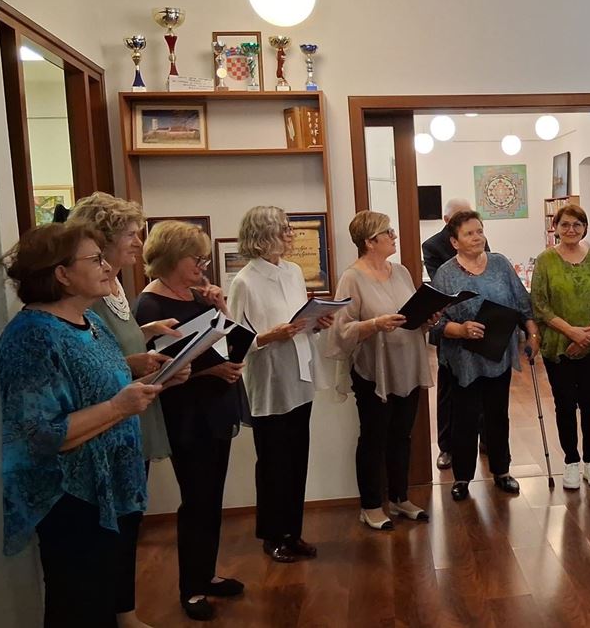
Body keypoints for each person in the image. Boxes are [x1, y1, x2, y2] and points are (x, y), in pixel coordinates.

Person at [0, 223, 164, 627]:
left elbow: (104, 387)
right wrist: (119, 407)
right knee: (79, 607)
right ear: (62, 273)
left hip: (111, 486)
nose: (108, 267)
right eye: (96, 259)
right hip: (70, 497)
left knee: (104, 601)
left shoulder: (91, 322)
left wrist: (153, 381)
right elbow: (41, 434)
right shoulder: (31, 336)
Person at [134, 221, 247, 621]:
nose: (202, 265)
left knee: (212, 497)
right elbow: (160, 371)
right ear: (169, 257)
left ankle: (206, 574)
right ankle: (191, 588)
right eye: (195, 258)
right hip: (186, 412)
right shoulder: (150, 305)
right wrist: (210, 371)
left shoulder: (199, 296)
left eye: (204, 258)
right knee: (196, 498)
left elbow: (230, 340)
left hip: (216, 405)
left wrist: (222, 307)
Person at [227, 206, 333, 559]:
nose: (291, 234)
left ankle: (293, 532)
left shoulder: (292, 271)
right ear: (262, 235)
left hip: (299, 374)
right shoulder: (244, 281)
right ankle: (272, 536)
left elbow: (299, 321)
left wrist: (317, 323)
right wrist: (267, 337)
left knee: (297, 458)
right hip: (269, 380)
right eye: (283, 229)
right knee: (273, 462)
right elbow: (234, 341)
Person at [325, 211, 436, 530]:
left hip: (407, 364)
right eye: (387, 232)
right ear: (369, 242)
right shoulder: (352, 278)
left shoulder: (400, 272)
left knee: (402, 435)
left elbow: (411, 314)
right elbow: (340, 330)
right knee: (374, 437)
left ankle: (400, 497)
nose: (394, 236)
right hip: (374, 369)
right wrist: (375, 324)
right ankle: (371, 505)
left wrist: (428, 319)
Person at [432, 210, 540, 501]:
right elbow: (436, 323)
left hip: (497, 355)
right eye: (469, 233)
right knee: (464, 419)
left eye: (479, 231)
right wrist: (461, 329)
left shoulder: (500, 263)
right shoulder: (445, 274)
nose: (477, 237)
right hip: (463, 359)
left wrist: (532, 333)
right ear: (455, 242)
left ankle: (502, 471)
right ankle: (462, 478)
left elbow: (523, 304)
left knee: (497, 415)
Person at [69, 193, 180, 470]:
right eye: (130, 235)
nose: (139, 243)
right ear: (103, 240)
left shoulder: (115, 282)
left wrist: (145, 332)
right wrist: (131, 364)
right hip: (108, 416)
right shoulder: (87, 293)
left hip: (133, 405)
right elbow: (85, 361)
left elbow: (109, 342)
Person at [530, 204, 590, 490]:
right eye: (565, 224)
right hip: (558, 344)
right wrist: (571, 332)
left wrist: (589, 334)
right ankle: (571, 461)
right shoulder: (545, 261)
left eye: (577, 225)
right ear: (555, 228)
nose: (571, 230)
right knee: (564, 404)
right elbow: (540, 305)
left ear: (585, 228)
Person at [422, 198, 489, 470]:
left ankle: (486, 439)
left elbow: (487, 272)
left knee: (485, 384)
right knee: (450, 389)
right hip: (451, 324)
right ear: (447, 220)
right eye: (461, 217)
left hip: (482, 321)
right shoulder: (432, 246)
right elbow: (443, 287)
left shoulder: (480, 239)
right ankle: (447, 446)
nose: (473, 232)